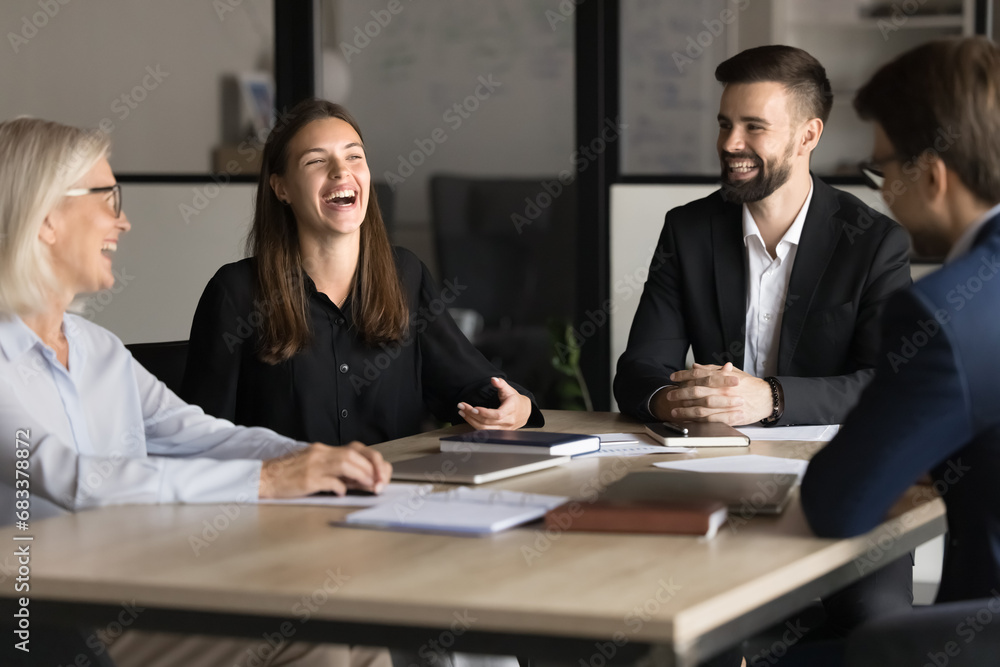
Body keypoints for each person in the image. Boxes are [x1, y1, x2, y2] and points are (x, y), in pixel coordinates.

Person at [0, 117, 391, 667]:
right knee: (314, 642)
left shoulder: (98, 349)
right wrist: (268, 480)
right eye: (108, 199)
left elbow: (199, 434)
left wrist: (308, 457)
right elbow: (72, 479)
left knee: (356, 625)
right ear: (45, 218)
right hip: (35, 622)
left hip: (134, 588)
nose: (124, 221)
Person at [181, 99, 543, 445]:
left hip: (396, 498)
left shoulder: (406, 275)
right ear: (281, 188)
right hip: (287, 505)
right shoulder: (237, 292)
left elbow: (468, 383)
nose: (342, 171)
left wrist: (517, 406)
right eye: (316, 161)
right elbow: (205, 440)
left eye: (354, 156)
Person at [802, 34, 1000, 620]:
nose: (883, 190)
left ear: (933, 175)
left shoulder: (943, 313)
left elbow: (838, 505)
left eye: (882, 167)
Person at [614, 45, 912, 428]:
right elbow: (640, 369)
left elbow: (889, 381)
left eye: (753, 126)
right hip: (708, 460)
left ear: (808, 135)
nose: (730, 143)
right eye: (725, 124)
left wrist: (772, 398)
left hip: (824, 464)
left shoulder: (875, 242)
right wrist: (680, 402)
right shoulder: (687, 229)